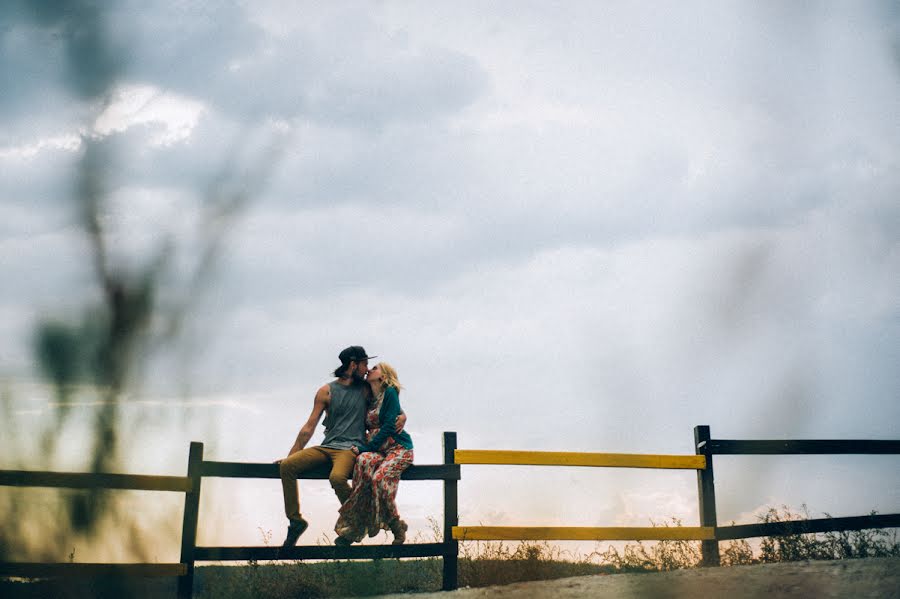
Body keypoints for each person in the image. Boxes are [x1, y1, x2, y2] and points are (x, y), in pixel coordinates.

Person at [277, 346, 406, 550]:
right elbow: (309, 427)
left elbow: (389, 407)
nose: (366, 369)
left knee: (337, 478)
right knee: (287, 467)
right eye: (364, 364)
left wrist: (402, 415)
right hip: (327, 446)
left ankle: (357, 521)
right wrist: (292, 454)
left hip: (350, 448)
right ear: (353, 365)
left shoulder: (365, 389)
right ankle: (295, 521)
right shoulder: (326, 391)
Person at [334, 361, 414, 545]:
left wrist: (367, 447)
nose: (370, 369)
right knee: (362, 462)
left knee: (379, 479)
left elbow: (387, 427)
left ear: (383, 377)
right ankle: (355, 527)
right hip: (380, 450)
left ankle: (396, 525)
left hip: (398, 448)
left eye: (375, 368)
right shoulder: (370, 398)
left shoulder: (390, 393)